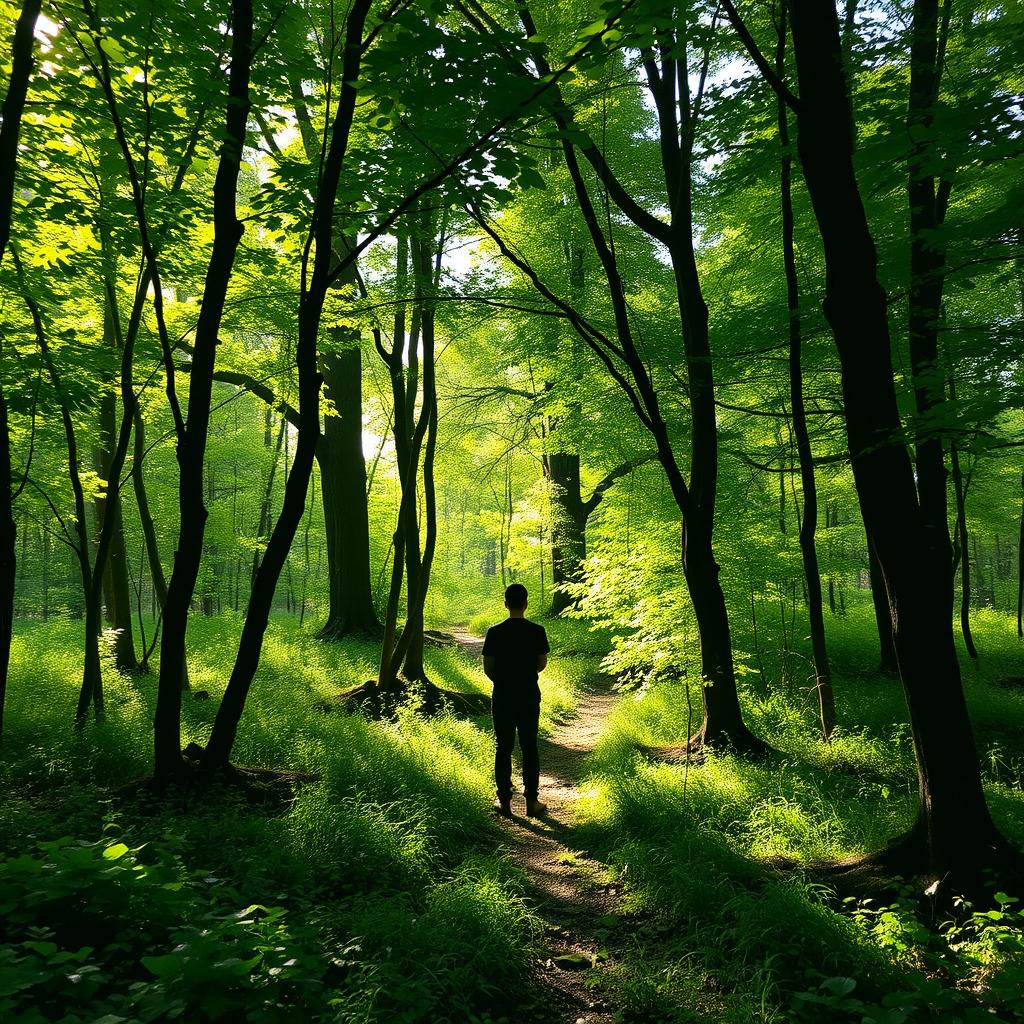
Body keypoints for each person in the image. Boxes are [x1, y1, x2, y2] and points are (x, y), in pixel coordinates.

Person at [482, 583, 550, 818]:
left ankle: (505, 804)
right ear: (526, 603)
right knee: (529, 746)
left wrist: (503, 681)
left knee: (503, 746)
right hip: (529, 694)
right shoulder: (537, 631)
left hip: (502, 696)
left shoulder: (494, 632)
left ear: (506, 604)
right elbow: (541, 663)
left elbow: (488, 668)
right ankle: (532, 803)